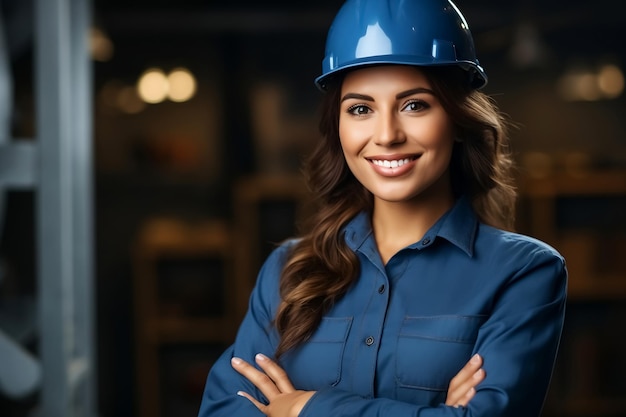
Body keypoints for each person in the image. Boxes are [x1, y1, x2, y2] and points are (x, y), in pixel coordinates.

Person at [198, 0, 567, 416]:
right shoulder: (288, 269)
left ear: (458, 119)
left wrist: (307, 408)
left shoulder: (524, 272)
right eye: (360, 109)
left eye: (415, 105)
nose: (387, 135)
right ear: (338, 128)